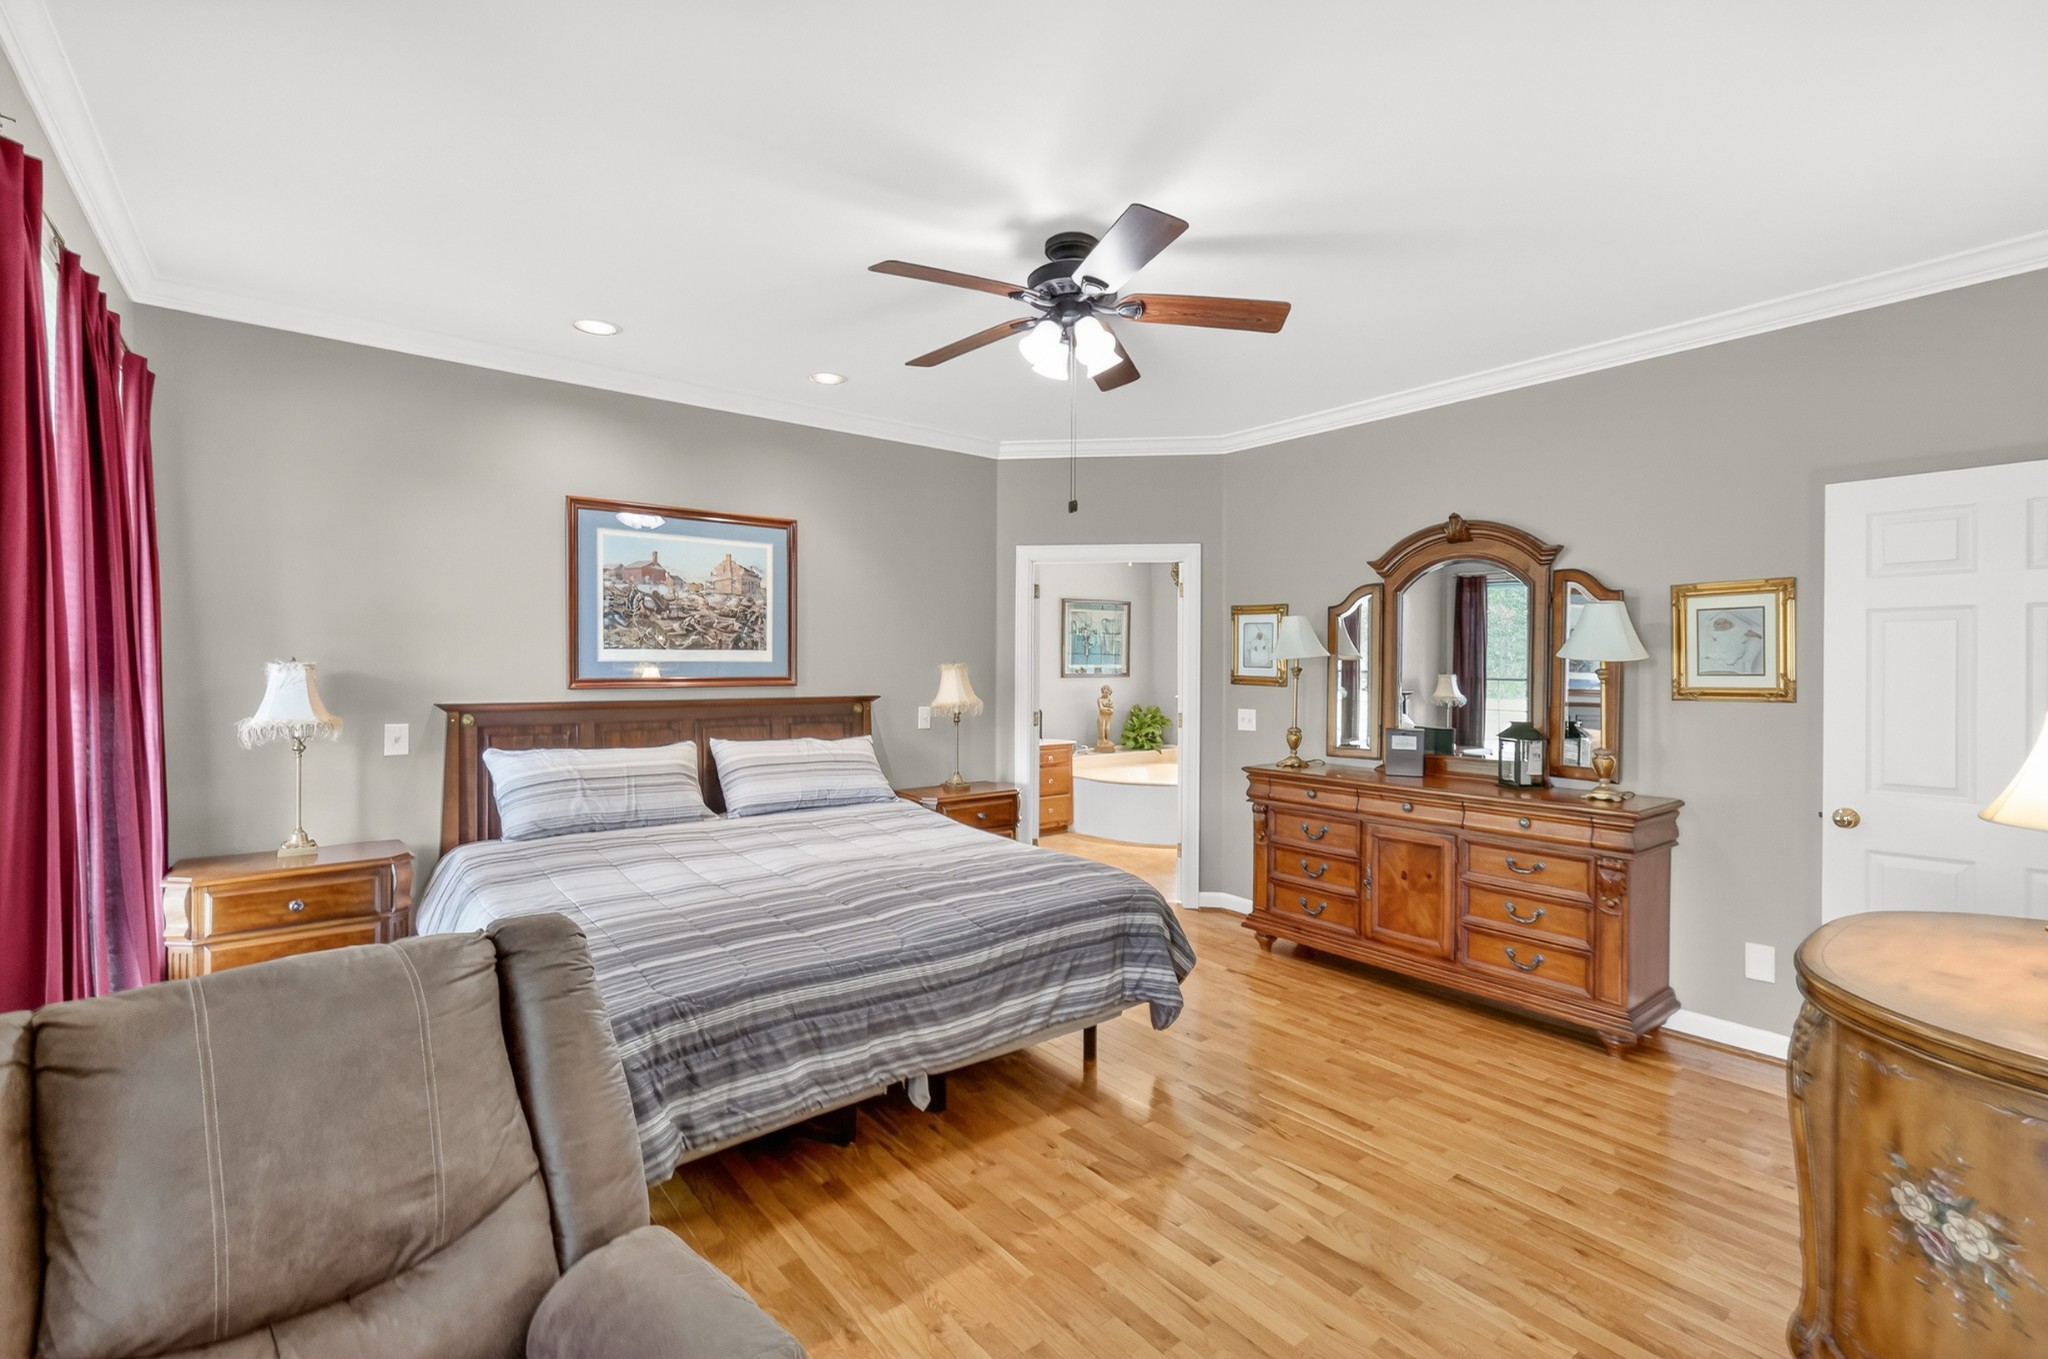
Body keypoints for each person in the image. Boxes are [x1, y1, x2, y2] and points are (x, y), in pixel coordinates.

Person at [1095, 685, 1116, 751]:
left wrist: (1109, 710)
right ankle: (1102, 740)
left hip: (1108, 717)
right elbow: (1101, 709)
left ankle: (1106, 741)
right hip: (1102, 717)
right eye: (1104, 691)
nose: (1106, 693)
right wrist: (1108, 709)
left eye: (1107, 692)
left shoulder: (1110, 700)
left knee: (1107, 729)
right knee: (1102, 729)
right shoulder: (1100, 700)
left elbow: (1112, 710)